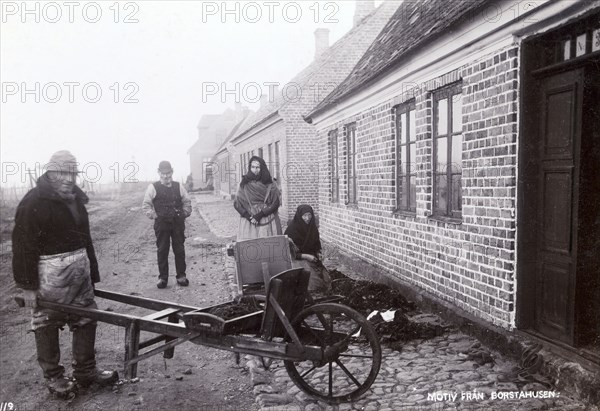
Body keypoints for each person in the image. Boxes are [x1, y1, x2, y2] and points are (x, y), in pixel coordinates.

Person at [12, 150, 118, 398]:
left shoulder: (76, 200)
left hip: (79, 273)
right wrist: (27, 286)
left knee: (87, 318)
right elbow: (23, 247)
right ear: (50, 173)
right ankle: (54, 377)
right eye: (63, 172)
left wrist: (91, 273)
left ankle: (86, 371)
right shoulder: (33, 203)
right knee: (47, 321)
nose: (69, 178)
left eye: (73, 172)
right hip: (50, 276)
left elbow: (86, 240)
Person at [142, 161, 192, 289]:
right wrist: (154, 215)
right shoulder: (153, 187)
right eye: (163, 173)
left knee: (179, 250)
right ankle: (163, 278)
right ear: (159, 173)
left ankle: (181, 276)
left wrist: (185, 213)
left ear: (172, 172)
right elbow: (146, 205)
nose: (166, 176)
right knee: (162, 250)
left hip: (177, 224)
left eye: (168, 173)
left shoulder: (179, 186)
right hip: (162, 225)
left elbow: (187, 201)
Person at [233, 156, 282, 240]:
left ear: (262, 168)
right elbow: (237, 203)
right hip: (249, 220)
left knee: (269, 245)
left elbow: (276, 203)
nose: (255, 170)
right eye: (252, 167)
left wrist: (260, 214)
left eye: (258, 167)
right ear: (249, 168)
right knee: (250, 246)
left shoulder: (271, 183)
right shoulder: (244, 184)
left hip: (267, 218)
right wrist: (248, 217)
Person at [285, 204, 331, 292]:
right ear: (299, 216)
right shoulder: (292, 229)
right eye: (304, 215)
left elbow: (316, 245)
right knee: (312, 281)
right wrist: (306, 256)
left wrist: (318, 253)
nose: (307, 218)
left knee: (326, 279)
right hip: (297, 260)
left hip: (312, 258)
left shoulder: (312, 228)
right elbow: (288, 253)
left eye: (309, 215)